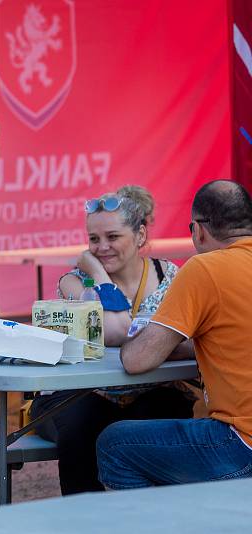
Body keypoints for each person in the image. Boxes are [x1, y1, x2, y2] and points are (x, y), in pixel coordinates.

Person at [30, 185, 194, 495]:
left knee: (163, 413)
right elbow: (120, 331)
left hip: (151, 391)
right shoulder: (75, 281)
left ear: (140, 237)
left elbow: (193, 340)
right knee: (80, 424)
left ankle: (156, 519)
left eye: (113, 237)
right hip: (77, 395)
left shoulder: (171, 275)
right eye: (94, 239)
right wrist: (99, 275)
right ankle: (84, 520)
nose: (102, 247)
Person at [97, 180, 252, 488]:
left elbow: (137, 360)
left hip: (241, 442)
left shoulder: (205, 268)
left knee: (115, 445)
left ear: (198, 230)